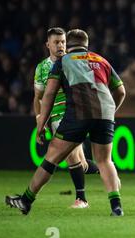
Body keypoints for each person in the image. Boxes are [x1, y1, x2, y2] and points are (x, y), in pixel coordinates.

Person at [6, 29, 126, 216]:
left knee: (52, 156)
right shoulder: (101, 60)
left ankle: (26, 200)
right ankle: (116, 207)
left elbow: (49, 94)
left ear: (68, 45)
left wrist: (40, 124)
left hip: (78, 113)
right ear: (86, 44)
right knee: (104, 160)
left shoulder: (64, 61)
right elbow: (121, 91)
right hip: (105, 113)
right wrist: (110, 112)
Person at [33, 27, 100, 209]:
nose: (60, 45)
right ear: (48, 45)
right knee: (81, 163)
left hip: (73, 113)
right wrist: (40, 119)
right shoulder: (42, 68)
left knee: (71, 157)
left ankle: (81, 199)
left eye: (63, 41)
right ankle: (104, 167)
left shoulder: (72, 62)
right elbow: (38, 97)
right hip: (54, 116)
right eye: (56, 42)